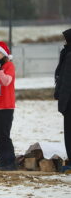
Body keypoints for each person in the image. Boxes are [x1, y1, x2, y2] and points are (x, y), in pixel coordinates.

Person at [0, 41, 17, 171]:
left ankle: (10, 162)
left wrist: (0, 70)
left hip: (6, 106)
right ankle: (3, 161)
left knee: (4, 135)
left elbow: (6, 82)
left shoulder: (9, 66)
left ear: (4, 54)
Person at [54, 28, 71, 166]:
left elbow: (66, 81)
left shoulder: (69, 55)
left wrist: (62, 104)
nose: (65, 42)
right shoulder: (66, 53)